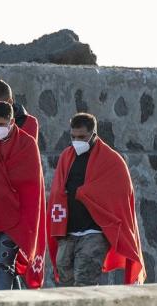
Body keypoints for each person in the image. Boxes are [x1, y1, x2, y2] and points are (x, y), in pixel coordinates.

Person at [48, 113, 145, 285]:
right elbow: (57, 190)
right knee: (64, 277)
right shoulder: (66, 157)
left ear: (94, 134)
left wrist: (85, 193)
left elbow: (121, 192)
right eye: (73, 136)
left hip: (95, 232)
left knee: (85, 280)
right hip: (68, 231)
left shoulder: (112, 160)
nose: (77, 141)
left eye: (82, 137)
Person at [0, 101, 47, 290]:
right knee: (4, 266)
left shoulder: (27, 144)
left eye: (2, 124)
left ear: (12, 121)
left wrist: (1, 187)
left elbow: (31, 184)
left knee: (2, 264)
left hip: (18, 219)